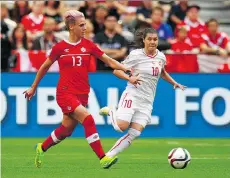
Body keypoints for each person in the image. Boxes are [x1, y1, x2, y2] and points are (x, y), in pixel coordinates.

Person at [23, 10, 134, 169]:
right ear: (71, 26)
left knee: (66, 130)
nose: (85, 28)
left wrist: (125, 68)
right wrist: (33, 87)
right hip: (65, 92)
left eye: (85, 24)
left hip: (83, 93)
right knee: (88, 118)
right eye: (81, 25)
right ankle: (103, 158)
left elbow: (108, 61)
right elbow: (44, 67)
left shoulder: (88, 45)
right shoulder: (60, 48)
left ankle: (42, 147)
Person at [99, 28, 186, 161]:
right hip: (133, 95)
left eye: (155, 39)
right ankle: (111, 111)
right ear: (144, 40)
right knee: (120, 127)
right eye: (149, 39)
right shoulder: (135, 55)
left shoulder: (161, 56)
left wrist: (174, 82)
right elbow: (116, 71)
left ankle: (108, 157)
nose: (152, 42)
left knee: (135, 132)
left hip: (147, 101)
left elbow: (162, 72)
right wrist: (130, 78)